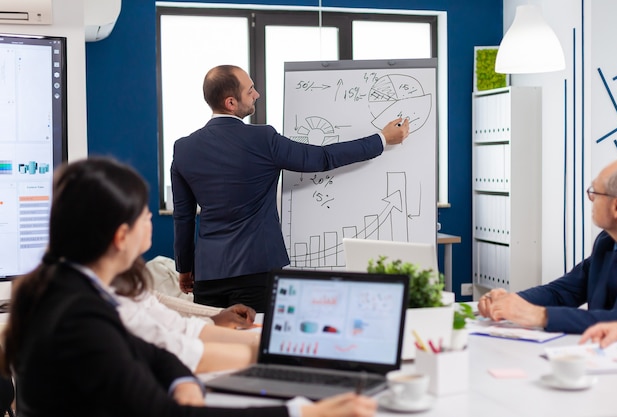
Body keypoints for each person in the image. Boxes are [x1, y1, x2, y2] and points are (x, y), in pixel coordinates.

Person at [0, 157, 376, 417]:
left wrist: (182, 381)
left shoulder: (68, 289)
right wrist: (302, 411)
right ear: (121, 236)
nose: (150, 217)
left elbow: (154, 355)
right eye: (144, 212)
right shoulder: (76, 315)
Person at [171, 64, 410, 312]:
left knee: (213, 347)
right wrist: (382, 139)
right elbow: (323, 158)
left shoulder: (183, 148)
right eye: (250, 90)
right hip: (257, 273)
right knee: (256, 346)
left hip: (209, 275)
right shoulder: (263, 139)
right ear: (231, 102)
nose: (257, 94)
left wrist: (185, 269)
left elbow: (183, 217)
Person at [478, 159, 617, 334]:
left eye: (595, 193)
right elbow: (561, 292)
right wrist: (508, 301)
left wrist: (541, 315)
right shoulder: (607, 242)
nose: (590, 199)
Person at [111, 259, 260, 373]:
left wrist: (218, 314)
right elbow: (181, 348)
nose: (149, 218)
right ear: (122, 235)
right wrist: (262, 351)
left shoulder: (120, 283)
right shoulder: (112, 301)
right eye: (144, 218)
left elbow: (160, 305)